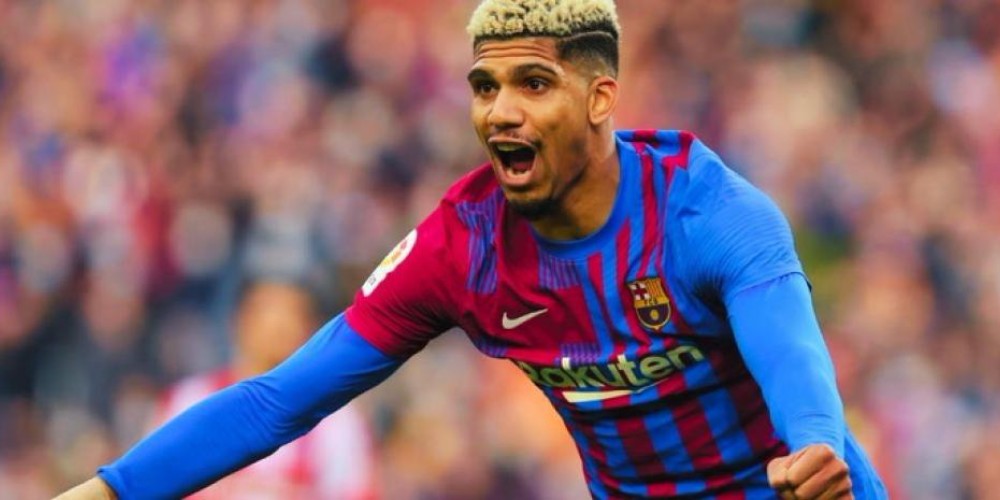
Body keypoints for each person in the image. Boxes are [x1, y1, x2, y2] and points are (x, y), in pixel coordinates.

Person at [58, 0, 887, 498]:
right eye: (485, 87)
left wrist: (815, 444)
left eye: (533, 84)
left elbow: (796, 361)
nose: (500, 112)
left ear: (601, 98)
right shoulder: (463, 247)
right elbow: (277, 403)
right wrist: (108, 490)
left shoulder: (708, 215)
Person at [149, 281, 376, 499]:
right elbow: (149, 484)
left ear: (311, 329)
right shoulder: (188, 401)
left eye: (292, 313)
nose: (279, 327)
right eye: (268, 311)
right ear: (238, 320)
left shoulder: (337, 421)